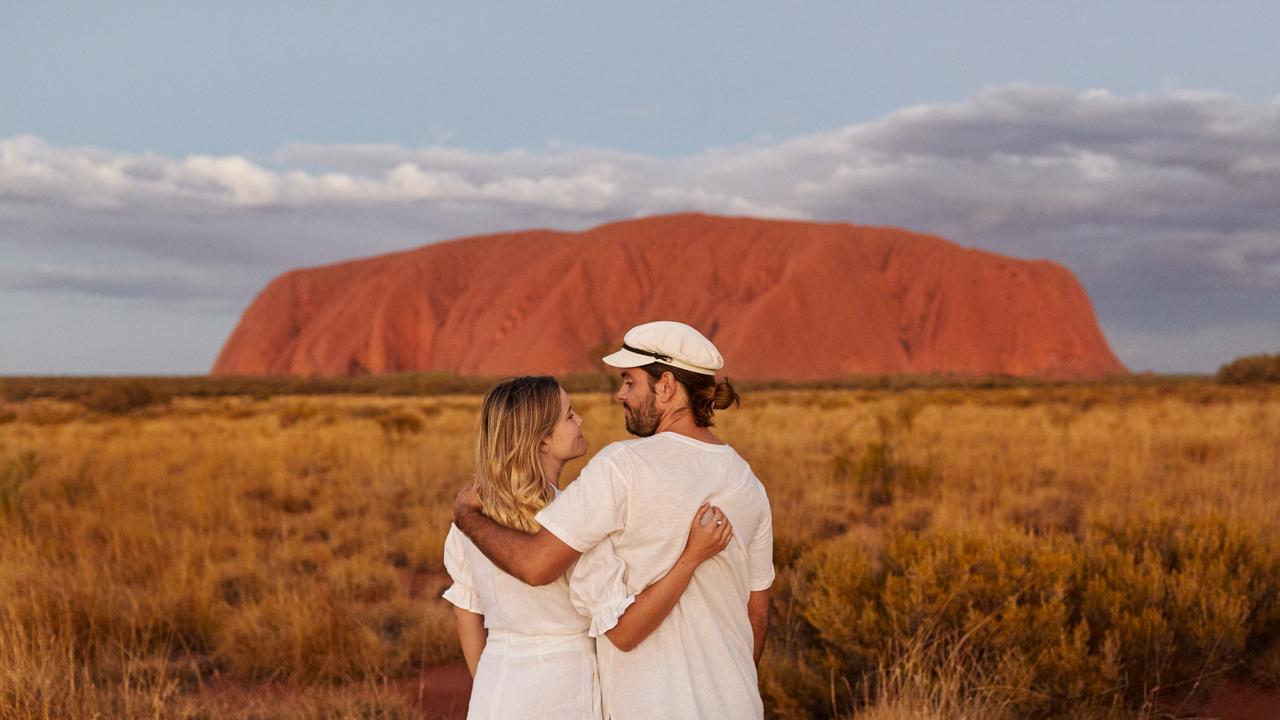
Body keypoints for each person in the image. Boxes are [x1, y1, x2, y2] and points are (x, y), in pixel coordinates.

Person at [453, 321, 775, 720]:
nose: (619, 394)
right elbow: (757, 614)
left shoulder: (621, 467)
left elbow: (536, 565)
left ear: (667, 386)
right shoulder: (749, 484)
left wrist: (466, 515)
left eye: (629, 381)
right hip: (737, 704)